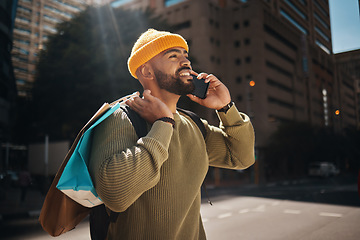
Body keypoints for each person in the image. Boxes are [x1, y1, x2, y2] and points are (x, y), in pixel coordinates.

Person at [89, 29, 255, 239]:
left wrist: (226, 108)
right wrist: (163, 123)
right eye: (173, 56)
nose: (186, 61)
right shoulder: (121, 118)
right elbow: (116, 195)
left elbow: (241, 157)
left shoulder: (194, 125)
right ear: (147, 72)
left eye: (186, 55)